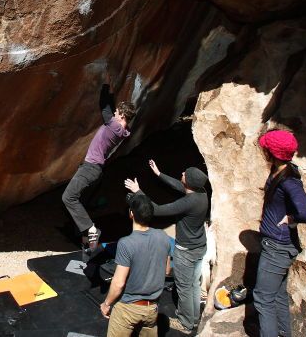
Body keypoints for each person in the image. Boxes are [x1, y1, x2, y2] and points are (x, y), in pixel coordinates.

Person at [124, 162, 209, 334]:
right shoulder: (201, 193)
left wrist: (138, 191)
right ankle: (193, 318)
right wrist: (159, 174)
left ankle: (186, 324)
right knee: (193, 284)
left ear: (190, 182)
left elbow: (157, 210)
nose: (183, 172)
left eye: (186, 173)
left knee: (184, 287)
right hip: (199, 246)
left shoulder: (188, 202)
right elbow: (181, 186)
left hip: (186, 251)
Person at [254, 129, 306, 337]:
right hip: (277, 245)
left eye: (265, 148)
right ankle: (282, 333)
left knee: (263, 299)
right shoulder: (280, 170)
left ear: (272, 153)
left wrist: (291, 218)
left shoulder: (289, 180)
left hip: (277, 248)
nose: (263, 151)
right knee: (278, 295)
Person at [62, 84, 135, 251]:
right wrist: (110, 93)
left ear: (122, 115)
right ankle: (85, 240)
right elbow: (109, 109)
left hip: (90, 168)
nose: (115, 113)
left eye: (117, 112)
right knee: (78, 200)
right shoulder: (124, 130)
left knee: (68, 198)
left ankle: (90, 230)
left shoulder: (115, 126)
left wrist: (104, 87)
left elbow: (104, 108)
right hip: (95, 170)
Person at [100, 193, 171, 337]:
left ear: (131, 214)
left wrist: (106, 304)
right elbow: (167, 270)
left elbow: (119, 283)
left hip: (128, 309)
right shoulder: (163, 236)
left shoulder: (126, 243)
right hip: (152, 309)